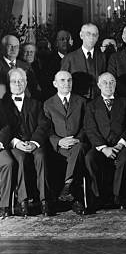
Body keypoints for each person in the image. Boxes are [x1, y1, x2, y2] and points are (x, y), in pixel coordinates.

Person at [2, 68, 51, 217]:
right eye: (14, 81)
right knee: (21, 159)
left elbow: (43, 125)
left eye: (21, 81)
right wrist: (16, 143)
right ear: (9, 84)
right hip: (15, 144)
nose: (17, 84)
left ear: (26, 83)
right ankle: (23, 201)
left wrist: (34, 142)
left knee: (41, 157)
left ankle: (45, 200)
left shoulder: (36, 103)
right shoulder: (2, 105)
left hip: (33, 143)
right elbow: (4, 130)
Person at [43, 71, 92, 215]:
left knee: (79, 148)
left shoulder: (82, 101)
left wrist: (77, 139)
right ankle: (75, 198)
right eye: (63, 80)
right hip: (59, 148)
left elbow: (87, 125)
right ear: (55, 84)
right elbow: (47, 129)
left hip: (78, 143)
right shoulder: (48, 104)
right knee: (72, 158)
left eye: (69, 80)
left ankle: (68, 186)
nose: (66, 83)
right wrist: (59, 141)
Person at [84, 73, 126, 208]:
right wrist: (104, 148)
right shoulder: (91, 105)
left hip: (121, 144)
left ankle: (118, 196)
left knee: (125, 159)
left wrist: (120, 144)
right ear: (99, 85)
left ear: (115, 84)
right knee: (89, 158)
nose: (109, 85)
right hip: (101, 146)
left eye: (112, 82)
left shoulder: (125, 102)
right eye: (105, 82)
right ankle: (99, 197)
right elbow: (90, 129)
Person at [61, 23, 107, 99]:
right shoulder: (69, 58)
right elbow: (62, 83)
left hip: (98, 102)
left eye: (94, 35)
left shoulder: (102, 57)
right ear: (81, 35)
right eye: (88, 34)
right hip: (77, 102)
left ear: (98, 37)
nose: (91, 37)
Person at [40, 30, 72, 100]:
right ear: (56, 43)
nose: (65, 42)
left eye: (67, 39)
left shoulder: (76, 58)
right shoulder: (48, 61)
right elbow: (46, 84)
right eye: (62, 39)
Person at [0, 35, 34, 99]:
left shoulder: (26, 66)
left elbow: (34, 88)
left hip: (26, 106)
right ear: (2, 47)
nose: (13, 49)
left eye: (16, 46)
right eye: (10, 46)